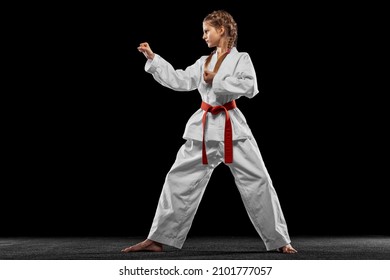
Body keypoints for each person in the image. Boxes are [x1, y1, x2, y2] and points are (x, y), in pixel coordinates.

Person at [122, 10, 297, 254]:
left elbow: (250, 86)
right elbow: (179, 80)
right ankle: (157, 239)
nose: (203, 36)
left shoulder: (241, 58)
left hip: (232, 129)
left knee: (259, 181)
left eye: (207, 30)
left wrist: (218, 79)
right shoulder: (202, 62)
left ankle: (280, 240)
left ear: (221, 30)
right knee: (177, 180)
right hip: (203, 130)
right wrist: (154, 59)